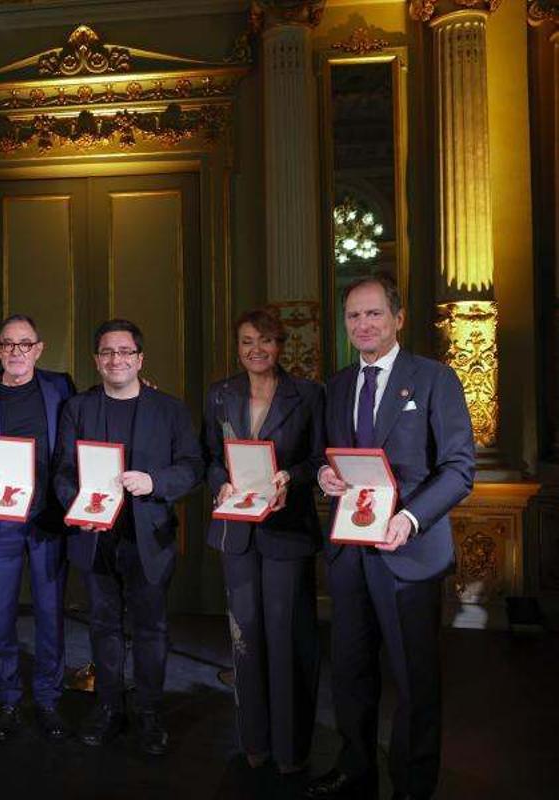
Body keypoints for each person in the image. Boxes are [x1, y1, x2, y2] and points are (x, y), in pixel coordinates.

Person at [305, 273, 475, 800]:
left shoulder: (433, 379)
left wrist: (411, 518)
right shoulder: (333, 387)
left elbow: (458, 468)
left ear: (397, 318)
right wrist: (321, 476)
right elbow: (320, 456)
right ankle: (356, 767)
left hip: (409, 552)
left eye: (373, 313)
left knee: (415, 678)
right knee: (351, 671)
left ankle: (412, 784)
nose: (363, 324)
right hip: (350, 553)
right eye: (354, 315)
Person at [53, 318, 203, 756]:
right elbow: (63, 470)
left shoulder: (170, 410)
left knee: (151, 628)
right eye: (106, 352)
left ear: (139, 358)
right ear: (97, 361)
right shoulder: (77, 409)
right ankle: (108, 707)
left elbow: (193, 466)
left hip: (149, 536)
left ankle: (150, 711)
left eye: (124, 352)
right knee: (102, 626)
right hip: (95, 536)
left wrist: (154, 481)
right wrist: (75, 503)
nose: (115, 359)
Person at [203, 309, 324, 774]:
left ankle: (291, 749)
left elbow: (318, 459)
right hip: (236, 533)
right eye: (247, 341)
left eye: (266, 341)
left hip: (286, 533)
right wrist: (220, 483)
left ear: (281, 345)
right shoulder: (220, 394)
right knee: (245, 641)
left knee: (287, 640)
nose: (257, 350)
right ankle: (254, 742)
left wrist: (290, 477)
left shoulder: (309, 395)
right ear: (238, 347)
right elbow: (209, 456)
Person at [0, 314, 75, 741]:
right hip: (1, 520)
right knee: (0, 615)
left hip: (47, 519)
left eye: (24, 344)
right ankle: (7, 697)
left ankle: (47, 698)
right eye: (8, 344)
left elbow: (83, 429)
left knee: (50, 616)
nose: (16, 352)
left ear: (39, 349)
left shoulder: (61, 387)